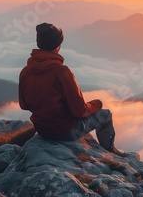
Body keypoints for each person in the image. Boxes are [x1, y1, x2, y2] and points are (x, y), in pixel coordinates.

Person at [19, 22, 126, 156]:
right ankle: (110, 153)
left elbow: (24, 105)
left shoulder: (25, 71)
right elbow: (79, 111)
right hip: (65, 132)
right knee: (105, 115)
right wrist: (97, 103)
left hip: (42, 130)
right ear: (57, 46)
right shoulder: (62, 72)